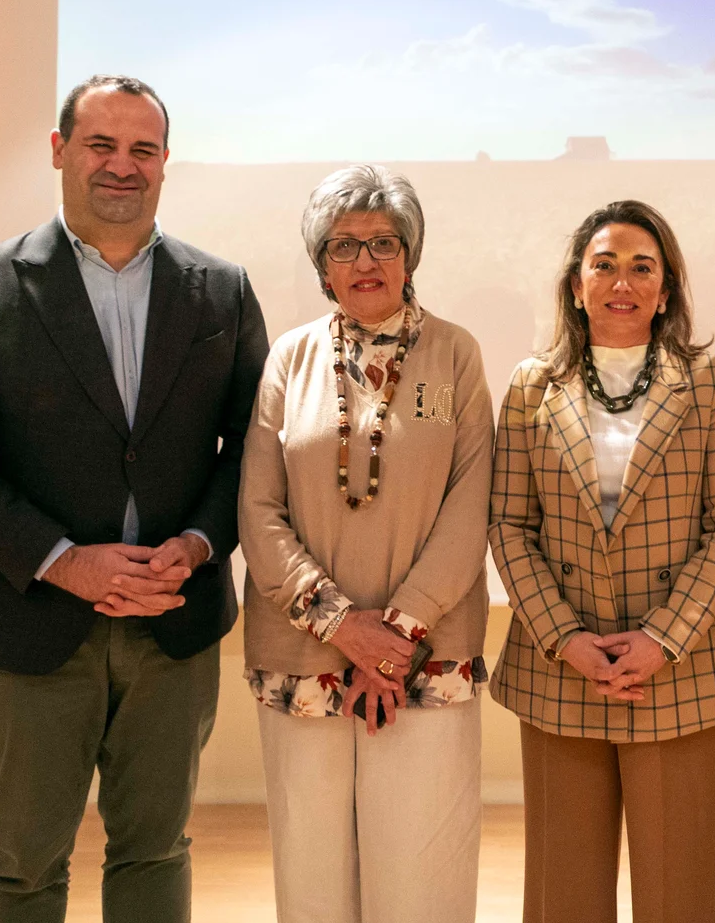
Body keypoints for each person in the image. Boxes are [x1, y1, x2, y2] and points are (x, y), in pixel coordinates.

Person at [0, 75, 267, 922]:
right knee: (23, 864)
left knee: (157, 851)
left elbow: (252, 443)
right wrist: (62, 561)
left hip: (172, 622)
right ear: (61, 151)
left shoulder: (222, 287)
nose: (122, 166)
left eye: (143, 149)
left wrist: (202, 544)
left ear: (166, 164)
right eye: (101, 144)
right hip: (24, 621)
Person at [490, 199, 715, 923]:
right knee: (563, 894)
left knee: (678, 890)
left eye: (642, 266)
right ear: (575, 286)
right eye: (604, 264)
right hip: (560, 668)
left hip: (685, 666)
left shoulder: (710, 380)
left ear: (666, 288)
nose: (623, 281)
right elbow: (510, 526)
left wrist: (661, 638)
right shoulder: (529, 386)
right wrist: (567, 638)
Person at [239, 165, 493, 923]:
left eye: (384, 242)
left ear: (410, 255)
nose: (366, 262)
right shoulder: (289, 357)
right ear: (321, 265)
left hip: (429, 655)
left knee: (423, 874)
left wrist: (396, 634)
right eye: (344, 246)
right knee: (313, 878)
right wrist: (343, 626)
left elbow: (471, 504)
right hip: (303, 655)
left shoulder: (456, 353)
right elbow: (258, 507)